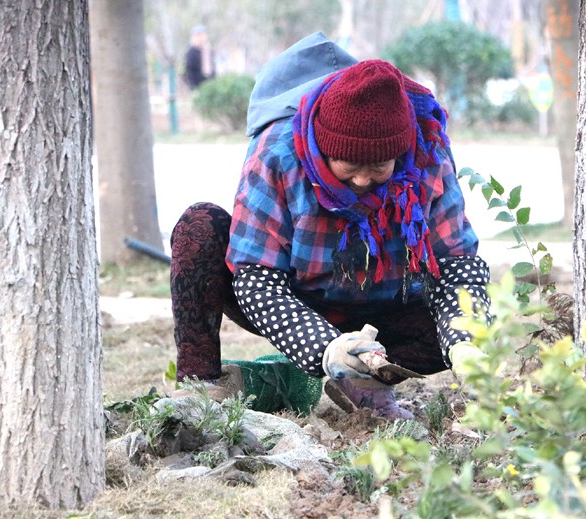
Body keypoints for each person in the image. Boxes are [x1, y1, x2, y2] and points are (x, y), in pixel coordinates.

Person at [170, 32, 491, 419]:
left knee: (460, 321)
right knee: (199, 227)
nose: (361, 180)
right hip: (298, 298)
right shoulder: (278, 152)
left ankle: (366, 382)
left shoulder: (427, 153)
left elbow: (457, 264)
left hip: (389, 306)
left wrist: (466, 343)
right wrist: (324, 347)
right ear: (321, 147)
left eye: (379, 167)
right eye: (349, 166)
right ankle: (202, 388)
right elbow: (256, 279)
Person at [183, 25, 215, 90]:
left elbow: (212, 68)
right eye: (198, 35)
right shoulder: (191, 52)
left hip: (210, 83)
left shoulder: (208, 50)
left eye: (202, 35)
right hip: (196, 85)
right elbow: (189, 70)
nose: (201, 38)